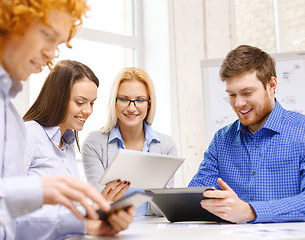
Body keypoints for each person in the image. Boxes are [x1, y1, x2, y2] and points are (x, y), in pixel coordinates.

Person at [0, 0, 124, 238]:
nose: (51, 53)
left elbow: (4, 223)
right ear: (8, 21)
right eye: (46, 35)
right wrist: (31, 191)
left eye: (58, 43)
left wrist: (86, 224)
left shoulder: (8, 116)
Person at [16, 60, 135, 239]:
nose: (87, 110)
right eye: (80, 102)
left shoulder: (68, 144)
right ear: (57, 97)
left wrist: (102, 206)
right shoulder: (28, 134)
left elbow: (65, 209)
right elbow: (9, 207)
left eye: (92, 103)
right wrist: (86, 224)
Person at [188, 45, 305, 223]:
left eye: (247, 93)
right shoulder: (222, 139)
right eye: (232, 94)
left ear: (271, 85)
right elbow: (197, 195)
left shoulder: (301, 131)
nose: (239, 103)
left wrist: (251, 211)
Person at [82, 67, 178, 216]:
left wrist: (164, 196)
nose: (131, 108)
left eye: (139, 100)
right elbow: (100, 204)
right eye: (124, 99)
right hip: (112, 227)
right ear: (114, 102)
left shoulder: (166, 145)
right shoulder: (94, 143)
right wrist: (104, 200)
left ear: (149, 104)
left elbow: (163, 211)